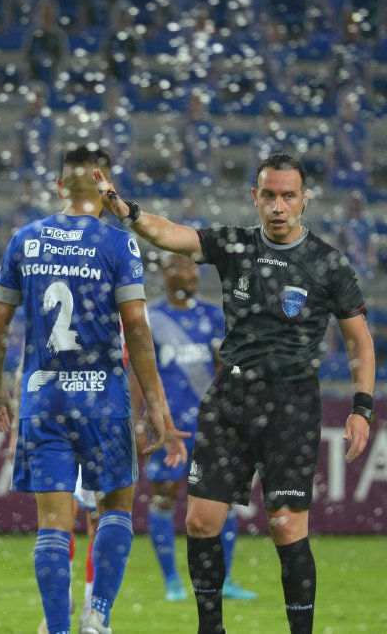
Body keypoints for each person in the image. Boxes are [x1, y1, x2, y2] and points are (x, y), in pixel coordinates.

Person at [99, 152, 376, 634]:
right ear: (255, 197)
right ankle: (212, 630)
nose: (278, 205)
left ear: (304, 199)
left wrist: (362, 407)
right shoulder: (235, 247)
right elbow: (172, 235)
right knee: (201, 521)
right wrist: (131, 213)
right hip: (231, 398)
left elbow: (360, 340)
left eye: (288, 195)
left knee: (287, 527)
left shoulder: (328, 264)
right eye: (268, 195)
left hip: (291, 404)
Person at [0, 146, 186, 634]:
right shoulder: (119, 244)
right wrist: (158, 407)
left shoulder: (25, 240)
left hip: (43, 397)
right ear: (103, 185)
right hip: (102, 399)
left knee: (53, 523)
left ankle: (56, 628)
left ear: (58, 187)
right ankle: (97, 614)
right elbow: (136, 329)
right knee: (115, 507)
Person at [139, 253, 257, 602]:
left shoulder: (212, 315)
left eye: (194, 268)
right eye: (184, 267)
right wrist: (142, 417)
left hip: (211, 425)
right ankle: (172, 580)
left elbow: (229, 368)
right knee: (165, 497)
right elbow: (140, 374)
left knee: (223, 502)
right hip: (169, 425)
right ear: (166, 273)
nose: (191, 274)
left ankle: (225, 580)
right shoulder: (151, 318)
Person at [329, 92, 369, 191]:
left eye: (352, 106)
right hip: (340, 169)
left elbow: (365, 152)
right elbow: (332, 153)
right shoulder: (336, 127)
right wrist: (332, 170)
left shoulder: (361, 129)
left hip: (356, 169)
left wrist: (364, 170)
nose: (349, 109)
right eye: (347, 106)